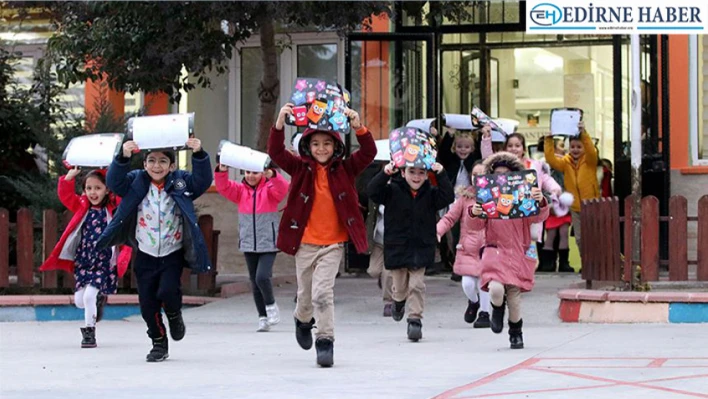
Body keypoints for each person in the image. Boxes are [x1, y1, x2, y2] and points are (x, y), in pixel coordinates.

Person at [268, 103, 376, 367]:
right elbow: (276, 152)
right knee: (305, 297)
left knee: (322, 294)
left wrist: (358, 126)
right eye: (315, 144)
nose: (321, 149)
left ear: (336, 146)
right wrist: (280, 122)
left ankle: (325, 341)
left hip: (332, 244)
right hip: (304, 244)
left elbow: (369, 152)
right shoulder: (299, 168)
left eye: (327, 144)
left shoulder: (346, 169)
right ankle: (302, 320)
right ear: (307, 146)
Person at [97, 138, 213, 362]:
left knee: (168, 291)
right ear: (144, 164)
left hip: (172, 251)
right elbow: (114, 181)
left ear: (171, 166)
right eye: (151, 161)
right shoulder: (136, 181)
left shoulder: (181, 181)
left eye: (162, 161)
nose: (156, 166)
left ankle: (174, 314)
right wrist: (122, 157)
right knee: (148, 303)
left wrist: (198, 153)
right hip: (145, 252)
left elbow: (202, 180)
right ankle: (159, 342)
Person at [40, 168, 131, 348]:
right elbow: (66, 196)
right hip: (84, 260)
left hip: (103, 261)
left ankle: (89, 333)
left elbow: (124, 196)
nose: (93, 192)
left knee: (89, 296)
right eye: (89, 188)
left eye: (97, 188)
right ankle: (98, 301)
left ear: (107, 189)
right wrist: (68, 177)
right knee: (80, 301)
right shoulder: (82, 206)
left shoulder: (113, 208)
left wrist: (113, 169)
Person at [470, 152, 550, 349]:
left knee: (514, 297)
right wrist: (475, 212)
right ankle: (496, 309)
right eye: (497, 175)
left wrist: (540, 201)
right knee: (496, 288)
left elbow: (538, 217)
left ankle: (516, 331)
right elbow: (475, 226)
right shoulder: (487, 201)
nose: (502, 179)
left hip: (517, 253)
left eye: (507, 175)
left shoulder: (523, 201)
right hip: (494, 252)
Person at [367, 160, 454, 342]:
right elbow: (372, 191)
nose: (416, 177)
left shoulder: (430, 193)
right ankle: (398, 302)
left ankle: (415, 319)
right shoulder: (392, 191)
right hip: (397, 246)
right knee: (399, 287)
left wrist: (441, 173)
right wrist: (385, 173)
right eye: (412, 172)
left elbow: (448, 196)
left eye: (421, 172)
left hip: (421, 246)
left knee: (417, 285)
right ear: (403, 173)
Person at [214, 163, 289, 332]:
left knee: (262, 277)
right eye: (248, 172)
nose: (251, 176)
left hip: (268, 242)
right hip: (248, 243)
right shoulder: (240, 191)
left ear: (262, 173)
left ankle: (271, 306)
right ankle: (262, 317)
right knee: (254, 282)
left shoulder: (270, 190)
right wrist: (222, 171)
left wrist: (272, 174)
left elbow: (283, 187)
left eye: (255, 172)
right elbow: (223, 187)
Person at [437, 161, 491, 328]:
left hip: (488, 248)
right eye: (475, 174)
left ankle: (485, 313)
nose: (478, 178)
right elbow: (449, 217)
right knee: (467, 283)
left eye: (482, 174)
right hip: (468, 248)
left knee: (485, 282)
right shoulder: (464, 197)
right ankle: (473, 302)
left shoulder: (496, 198)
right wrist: (438, 231)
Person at [543, 122, 599, 252]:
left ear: (584, 147)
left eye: (579, 147)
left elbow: (591, 149)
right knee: (579, 238)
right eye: (572, 147)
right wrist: (549, 140)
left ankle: (593, 263)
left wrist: (584, 133)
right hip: (575, 207)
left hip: (591, 205)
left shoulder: (590, 160)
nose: (575, 149)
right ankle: (585, 263)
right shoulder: (565, 162)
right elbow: (551, 160)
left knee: (592, 237)